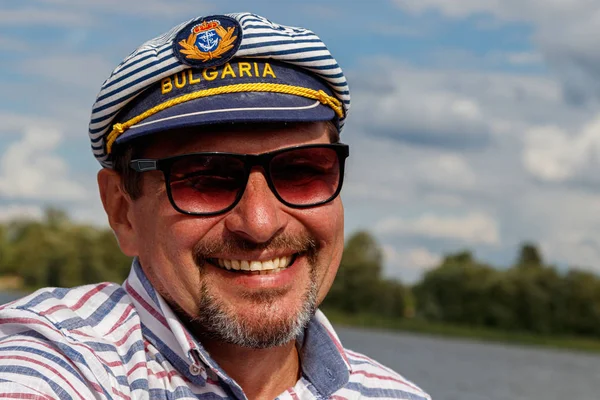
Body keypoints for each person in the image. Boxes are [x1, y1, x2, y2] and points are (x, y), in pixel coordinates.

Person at [0, 12, 432, 400]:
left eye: (301, 171)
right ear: (122, 210)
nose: (260, 224)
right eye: (205, 179)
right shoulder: (60, 358)